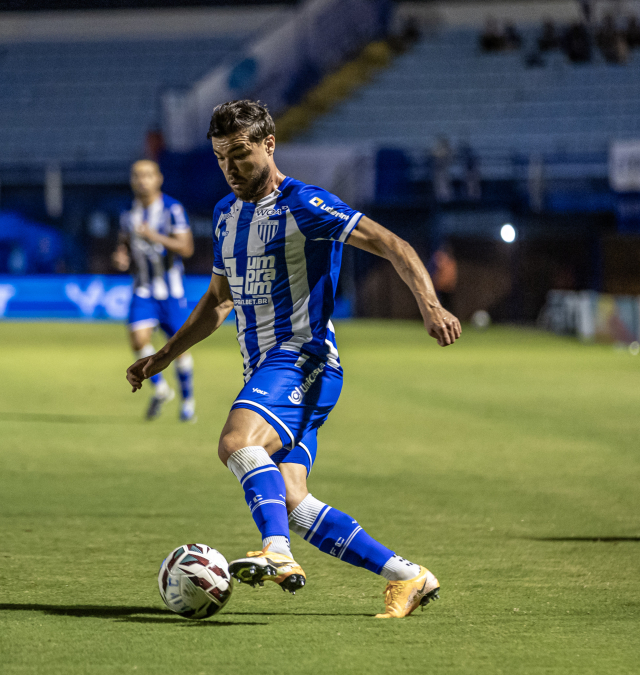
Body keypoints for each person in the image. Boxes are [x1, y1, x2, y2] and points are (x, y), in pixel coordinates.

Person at [127, 100, 461, 618]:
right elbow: (218, 302)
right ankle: (409, 576)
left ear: (269, 144)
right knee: (293, 500)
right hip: (269, 368)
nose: (231, 167)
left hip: (303, 359)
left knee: (237, 441)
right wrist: (164, 356)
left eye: (240, 153)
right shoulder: (225, 216)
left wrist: (431, 304)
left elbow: (393, 244)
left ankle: (275, 551)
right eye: (221, 157)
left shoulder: (304, 204)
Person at [115, 159, 197, 421]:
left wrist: (155, 237)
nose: (142, 180)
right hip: (143, 290)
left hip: (171, 292)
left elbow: (186, 248)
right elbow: (124, 243)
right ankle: (161, 389)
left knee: (179, 349)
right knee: (138, 339)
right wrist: (122, 257)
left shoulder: (173, 210)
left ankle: (187, 402)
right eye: (137, 175)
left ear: (158, 179)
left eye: (148, 175)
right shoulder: (129, 214)